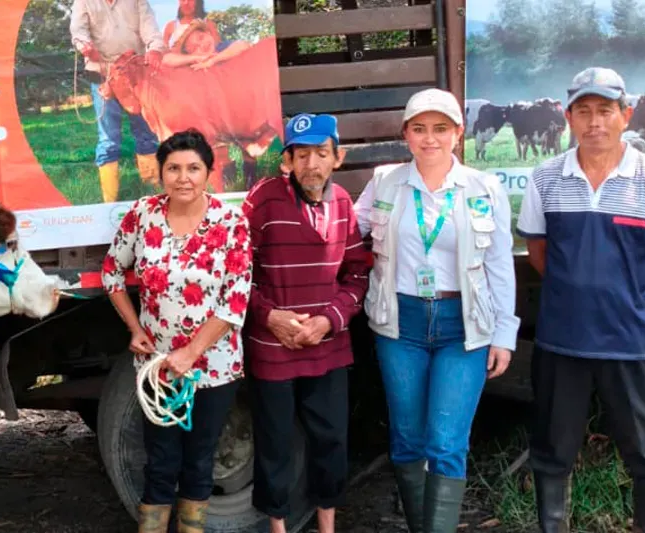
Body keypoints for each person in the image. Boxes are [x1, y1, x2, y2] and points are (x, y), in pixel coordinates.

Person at [518, 67, 645, 533]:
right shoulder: (546, 178)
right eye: (584, 111)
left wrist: (629, 301)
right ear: (567, 116)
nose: (595, 122)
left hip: (631, 342)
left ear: (626, 115)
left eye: (605, 111)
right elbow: (540, 253)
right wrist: (577, 296)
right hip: (562, 342)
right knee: (552, 454)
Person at [352, 88, 519, 533]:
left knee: (446, 443)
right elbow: (344, 232)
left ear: (458, 134)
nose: (430, 139)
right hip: (399, 324)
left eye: (441, 129)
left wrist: (505, 334)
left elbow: (500, 265)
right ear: (406, 134)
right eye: (420, 129)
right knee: (407, 440)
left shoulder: (484, 188)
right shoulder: (384, 181)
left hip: (462, 327)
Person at [100, 129, 254, 533]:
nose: (183, 177)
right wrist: (134, 328)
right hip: (159, 366)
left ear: (208, 172)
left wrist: (191, 354)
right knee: (161, 461)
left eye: (193, 168)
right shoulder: (143, 214)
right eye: (173, 168)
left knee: (201, 459)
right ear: (161, 173)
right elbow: (112, 271)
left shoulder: (231, 222)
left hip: (213, 366)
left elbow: (234, 300)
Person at [242, 113, 371, 533]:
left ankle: (326, 525)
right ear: (287, 162)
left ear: (338, 157)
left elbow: (356, 274)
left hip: (328, 347)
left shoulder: (344, 204)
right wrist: (270, 317)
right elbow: (236, 272)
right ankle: (277, 527)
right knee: (275, 442)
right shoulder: (263, 199)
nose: (311, 164)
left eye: (320, 153)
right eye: (301, 155)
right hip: (272, 349)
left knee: (331, 440)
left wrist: (328, 320)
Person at [69, 0, 166, 203]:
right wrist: (84, 46)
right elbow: (78, 31)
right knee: (108, 139)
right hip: (102, 72)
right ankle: (109, 203)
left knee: (146, 133)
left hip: (136, 71)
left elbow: (150, 27)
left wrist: (155, 48)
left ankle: (153, 195)